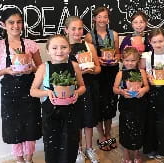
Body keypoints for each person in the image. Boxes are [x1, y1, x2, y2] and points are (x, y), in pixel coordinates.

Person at [30, 34, 86, 163]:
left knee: (70, 145)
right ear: (48, 51)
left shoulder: (75, 66)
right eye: (54, 48)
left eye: (63, 47)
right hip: (51, 116)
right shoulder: (44, 68)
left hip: (71, 114)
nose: (59, 51)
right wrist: (47, 93)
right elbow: (33, 91)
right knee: (52, 147)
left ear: (69, 49)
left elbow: (83, 87)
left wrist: (77, 92)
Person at [0, 8, 42, 163]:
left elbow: (41, 68)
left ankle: (29, 159)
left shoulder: (30, 44)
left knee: (31, 125)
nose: (16, 26)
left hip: (29, 90)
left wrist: (31, 69)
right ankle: (19, 160)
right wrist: (6, 70)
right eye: (11, 22)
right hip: (9, 93)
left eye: (19, 22)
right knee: (13, 127)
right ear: (3, 25)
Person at [64, 16, 101, 163]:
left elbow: (98, 68)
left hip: (89, 87)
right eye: (73, 28)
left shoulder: (89, 46)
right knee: (76, 120)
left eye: (80, 28)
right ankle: (78, 149)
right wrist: (76, 72)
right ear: (66, 30)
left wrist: (91, 70)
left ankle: (89, 148)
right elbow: (61, 71)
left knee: (89, 118)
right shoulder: (64, 48)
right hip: (73, 89)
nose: (77, 32)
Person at [85, 6, 120, 151]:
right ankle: (101, 135)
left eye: (104, 17)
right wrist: (100, 59)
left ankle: (108, 132)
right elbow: (90, 58)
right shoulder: (89, 36)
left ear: (108, 19)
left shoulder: (114, 34)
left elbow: (117, 53)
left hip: (112, 72)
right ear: (94, 18)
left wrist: (115, 58)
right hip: (97, 75)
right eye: (99, 16)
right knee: (99, 104)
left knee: (111, 103)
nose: (102, 19)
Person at [140, 28, 164, 160]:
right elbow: (141, 71)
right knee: (150, 120)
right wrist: (147, 79)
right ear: (150, 42)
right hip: (150, 92)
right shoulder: (145, 56)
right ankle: (151, 148)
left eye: (160, 41)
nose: (158, 44)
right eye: (155, 41)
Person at [113, 47, 149, 163]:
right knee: (125, 128)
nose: (130, 63)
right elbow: (114, 89)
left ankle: (137, 152)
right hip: (126, 105)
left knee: (139, 127)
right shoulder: (120, 73)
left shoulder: (142, 72)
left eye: (133, 61)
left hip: (140, 104)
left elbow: (147, 87)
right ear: (122, 60)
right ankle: (126, 152)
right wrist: (121, 92)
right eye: (127, 60)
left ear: (137, 60)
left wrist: (143, 90)